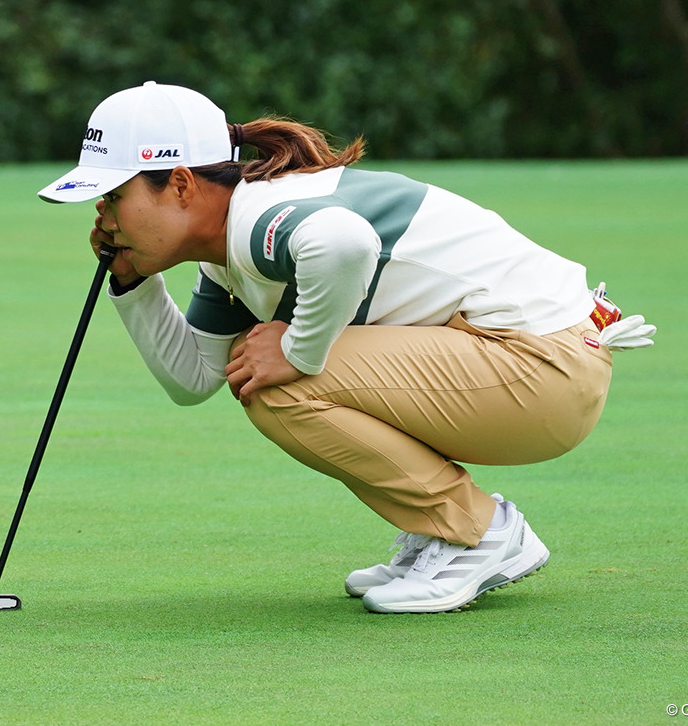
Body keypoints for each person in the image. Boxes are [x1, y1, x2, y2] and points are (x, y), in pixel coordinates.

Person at [35, 81, 656, 614]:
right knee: (262, 373)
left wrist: (300, 350)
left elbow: (344, 242)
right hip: (537, 364)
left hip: (542, 367)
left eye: (114, 196)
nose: (103, 217)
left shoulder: (258, 221)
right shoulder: (229, 253)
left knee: (279, 384)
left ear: (178, 183)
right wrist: (133, 281)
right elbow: (194, 378)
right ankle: (443, 533)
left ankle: (479, 533)